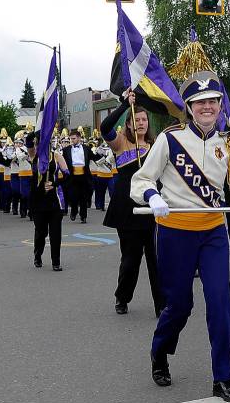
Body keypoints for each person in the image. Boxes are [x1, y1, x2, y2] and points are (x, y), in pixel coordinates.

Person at [131, 70, 230, 403]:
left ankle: (223, 377)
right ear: (189, 106)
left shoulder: (228, 143)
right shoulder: (170, 139)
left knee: (220, 303)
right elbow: (141, 180)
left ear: (219, 105)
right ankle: (159, 351)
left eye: (212, 101)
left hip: (213, 231)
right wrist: (153, 197)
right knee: (179, 305)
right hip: (175, 232)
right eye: (200, 102)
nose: (207, 107)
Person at [102, 91, 164, 316]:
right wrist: (122, 104)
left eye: (144, 120)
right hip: (127, 210)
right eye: (135, 120)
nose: (140, 123)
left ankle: (161, 304)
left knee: (157, 258)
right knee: (130, 260)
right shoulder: (120, 143)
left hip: (153, 207)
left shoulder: (156, 145)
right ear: (128, 124)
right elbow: (104, 128)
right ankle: (122, 296)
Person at [27, 131, 68, 271]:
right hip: (38, 200)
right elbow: (28, 141)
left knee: (55, 232)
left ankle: (56, 261)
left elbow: (67, 176)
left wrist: (55, 184)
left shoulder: (57, 156)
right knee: (41, 232)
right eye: (39, 143)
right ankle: (37, 255)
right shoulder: (34, 156)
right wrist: (39, 129)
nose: (42, 145)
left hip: (55, 200)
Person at [62, 130, 96, 223]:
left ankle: (83, 216)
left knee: (84, 197)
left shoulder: (86, 148)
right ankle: (74, 211)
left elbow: (94, 157)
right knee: (73, 196)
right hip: (72, 176)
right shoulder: (66, 150)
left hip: (84, 175)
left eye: (73, 138)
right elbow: (62, 163)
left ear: (79, 138)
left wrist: (105, 159)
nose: (72, 140)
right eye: (70, 139)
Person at [90, 137, 115, 211]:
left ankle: (112, 206)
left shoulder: (112, 150)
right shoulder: (97, 150)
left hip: (110, 174)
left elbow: (113, 160)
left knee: (112, 191)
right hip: (101, 174)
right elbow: (97, 162)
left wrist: (107, 155)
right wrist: (102, 156)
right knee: (100, 191)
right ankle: (100, 205)